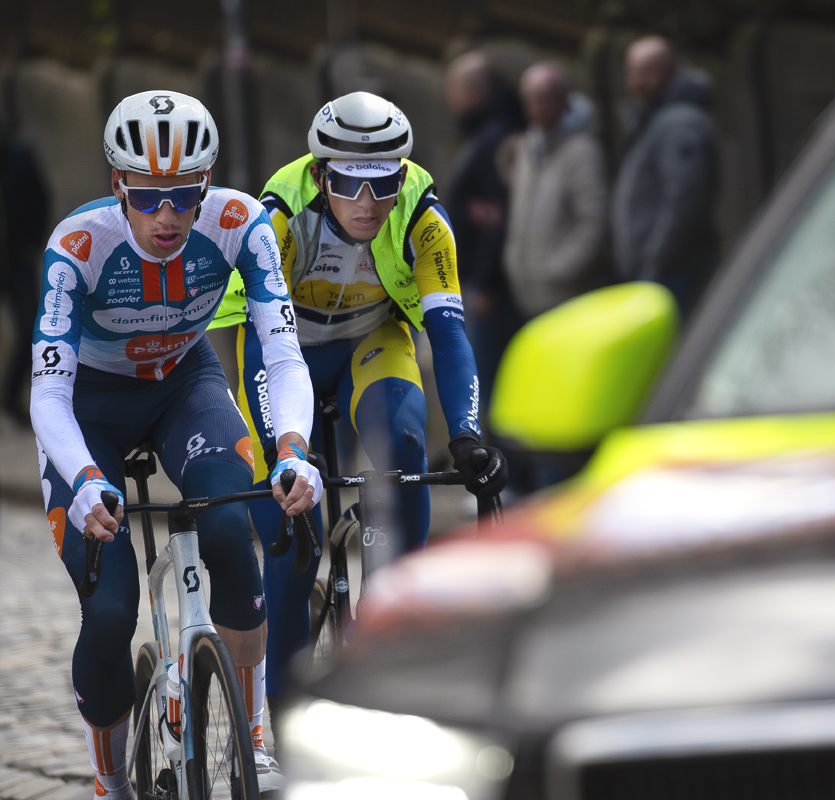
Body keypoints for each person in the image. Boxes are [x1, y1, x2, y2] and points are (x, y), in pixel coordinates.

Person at [31, 91, 321, 798]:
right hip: (89, 406)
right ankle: (110, 783)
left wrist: (292, 447)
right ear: (118, 186)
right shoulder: (77, 247)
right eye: (147, 197)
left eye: (186, 196)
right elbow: (48, 393)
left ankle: (254, 738)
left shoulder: (239, 223)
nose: (168, 217)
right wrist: (86, 478)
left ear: (207, 185)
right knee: (109, 611)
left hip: (184, 385)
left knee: (231, 532)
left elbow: (282, 352)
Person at [211, 91, 508, 711]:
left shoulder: (423, 219)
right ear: (322, 176)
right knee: (293, 542)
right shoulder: (279, 217)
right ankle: (283, 715)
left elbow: (448, 333)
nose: (369, 203)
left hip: (371, 344)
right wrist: (286, 452)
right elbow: (260, 344)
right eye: (350, 183)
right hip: (283, 351)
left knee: (403, 443)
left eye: (384, 183)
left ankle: (397, 613)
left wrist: (467, 435)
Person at [612, 36, 720, 318]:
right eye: (632, 72)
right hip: (655, 268)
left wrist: (656, 258)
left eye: (646, 73)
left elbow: (686, 196)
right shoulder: (654, 116)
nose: (636, 82)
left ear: (670, 71)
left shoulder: (680, 123)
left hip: (671, 270)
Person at [444, 51, 525, 413]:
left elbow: (497, 216)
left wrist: (488, 283)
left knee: (491, 383)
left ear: (473, 91)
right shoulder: (486, 132)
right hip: (482, 282)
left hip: (491, 289)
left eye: (454, 89)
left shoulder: (496, 137)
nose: (450, 98)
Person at [504, 61, 608, 320]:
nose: (538, 109)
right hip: (528, 294)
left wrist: (558, 271)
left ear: (564, 100)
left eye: (545, 100)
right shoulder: (529, 145)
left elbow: (594, 223)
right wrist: (513, 260)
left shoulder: (582, 152)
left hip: (565, 297)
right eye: (531, 100)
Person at [0, 126, 50, 422]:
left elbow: (40, 199)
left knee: (31, 327)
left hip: (17, 258)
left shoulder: (18, 155)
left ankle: (12, 397)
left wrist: (33, 243)